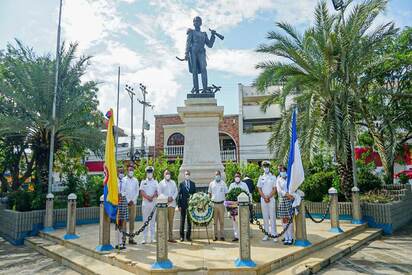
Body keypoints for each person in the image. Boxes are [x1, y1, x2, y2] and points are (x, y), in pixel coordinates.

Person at [184, 16, 216, 93]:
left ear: (201, 23)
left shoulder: (204, 34)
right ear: (193, 23)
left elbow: (210, 45)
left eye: (198, 21)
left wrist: (212, 35)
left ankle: (205, 89)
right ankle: (196, 89)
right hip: (193, 52)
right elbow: (188, 43)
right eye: (195, 21)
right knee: (194, 71)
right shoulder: (191, 32)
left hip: (201, 52)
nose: (196, 22)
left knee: (203, 69)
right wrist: (186, 53)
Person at [257, 160, 278, 242]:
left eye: (267, 166)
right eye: (264, 166)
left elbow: (275, 189)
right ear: (262, 167)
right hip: (263, 199)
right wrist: (264, 197)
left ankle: (274, 234)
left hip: (271, 199)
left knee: (272, 216)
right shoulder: (260, 177)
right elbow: (259, 188)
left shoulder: (273, 177)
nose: (266, 168)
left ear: (269, 167)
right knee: (265, 217)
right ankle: (266, 234)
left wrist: (268, 196)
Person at [228, 171, 250, 242]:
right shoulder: (231, 185)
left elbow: (248, 194)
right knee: (235, 223)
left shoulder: (244, 185)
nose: (237, 178)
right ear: (234, 177)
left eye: (238, 176)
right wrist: (229, 208)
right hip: (234, 207)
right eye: (236, 176)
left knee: (243, 222)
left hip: (242, 207)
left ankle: (243, 235)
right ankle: (236, 236)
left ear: (240, 177)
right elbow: (229, 196)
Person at [139, 166, 158, 244]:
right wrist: (148, 197)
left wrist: (152, 197)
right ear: (146, 173)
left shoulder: (155, 182)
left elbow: (157, 191)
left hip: (153, 203)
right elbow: (141, 192)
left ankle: (153, 238)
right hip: (145, 203)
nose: (149, 173)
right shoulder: (143, 182)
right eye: (148, 172)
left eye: (150, 172)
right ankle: (144, 238)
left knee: (153, 221)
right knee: (145, 221)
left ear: (152, 173)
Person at [276, 165, 294, 245]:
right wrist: (287, 194)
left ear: (286, 171)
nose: (282, 172)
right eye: (281, 170)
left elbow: (293, 187)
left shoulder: (290, 177)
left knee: (289, 219)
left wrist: (290, 195)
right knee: (284, 219)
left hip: (289, 199)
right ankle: (286, 237)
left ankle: (290, 237)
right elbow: (279, 190)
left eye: (283, 170)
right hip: (282, 199)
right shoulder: (278, 179)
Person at [158, 170, 178, 243]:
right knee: (164, 222)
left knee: (171, 221)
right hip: (164, 205)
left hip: (172, 204)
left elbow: (176, 191)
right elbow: (159, 193)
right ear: (164, 175)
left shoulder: (173, 182)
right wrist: (167, 198)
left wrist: (172, 198)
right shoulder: (161, 183)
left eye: (169, 173)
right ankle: (163, 238)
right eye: (166, 173)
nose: (168, 174)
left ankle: (171, 237)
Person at [208, 170, 228, 241]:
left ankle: (222, 236)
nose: (217, 176)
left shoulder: (223, 183)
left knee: (222, 221)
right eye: (216, 174)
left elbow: (226, 193)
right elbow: (209, 193)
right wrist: (210, 202)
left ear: (220, 175)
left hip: (221, 204)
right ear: (215, 175)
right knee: (214, 222)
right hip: (214, 204)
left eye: (218, 174)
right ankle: (215, 236)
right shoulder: (211, 184)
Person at [122, 165, 139, 245]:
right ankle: (124, 238)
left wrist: (133, 200)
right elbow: (123, 191)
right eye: (130, 170)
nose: (131, 171)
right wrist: (128, 200)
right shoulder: (123, 180)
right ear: (127, 171)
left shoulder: (136, 180)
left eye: (132, 170)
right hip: (125, 203)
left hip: (133, 204)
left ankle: (131, 238)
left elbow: (137, 191)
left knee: (132, 221)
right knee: (124, 221)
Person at [177, 170, 196, 242]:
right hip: (183, 205)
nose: (187, 175)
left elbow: (195, 195)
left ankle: (188, 236)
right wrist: (179, 205)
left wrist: (194, 205)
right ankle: (181, 236)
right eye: (186, 174)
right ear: (184, 175)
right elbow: (179, 195)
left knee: (189, 222)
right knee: (182, 221)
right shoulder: (181, 184)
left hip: (190, 205)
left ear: (189, 175)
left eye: (188, 174)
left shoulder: (193, 184)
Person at [115, 167, 128, 250]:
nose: (121, 173)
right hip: (116, 201)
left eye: (122, 172)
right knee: (117, 221)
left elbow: (127, 190)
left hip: (123, 200)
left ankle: (123, 241)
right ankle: (117, 241)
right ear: (117, 172)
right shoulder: (115, 180)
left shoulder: (125, 181)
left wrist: (121, 194)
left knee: (124, 221)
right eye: (120, 171)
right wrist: (117, 194)